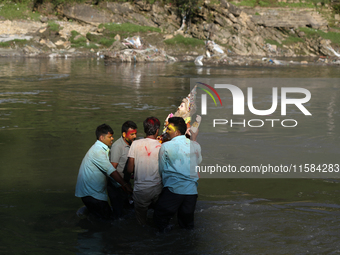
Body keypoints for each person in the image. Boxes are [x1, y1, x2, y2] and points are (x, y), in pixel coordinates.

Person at [75, 124, 132, 222]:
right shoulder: (98, 151)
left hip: (89, 193)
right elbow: (111, 171)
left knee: (102, 218)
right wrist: (125, 185)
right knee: (107, 222)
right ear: (101, 137)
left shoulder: (100, 149)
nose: (112, 139)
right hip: (92, 194)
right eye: (109, 137)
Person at [154, 117, 202, 233]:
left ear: (176, 131)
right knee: (187, 226)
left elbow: (161, 169)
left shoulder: (166, 146)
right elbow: (198, 162)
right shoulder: (195, 146)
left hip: (173, 189)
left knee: (160, 220)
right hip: (191, 192)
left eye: (169, 129)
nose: (166, 131)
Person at [126, 117, 163, 226]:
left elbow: (129, 169)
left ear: (145, 130)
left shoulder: (135, 144)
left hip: (140, 190)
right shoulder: (162, 146)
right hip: (157, 189)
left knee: (141, 221)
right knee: (158, 217)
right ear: (157, 131)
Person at [108, 121, 137, 218]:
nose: (134, 136)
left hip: (125, 183)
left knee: (128, 211)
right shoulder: (117, 147)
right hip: (116, 186)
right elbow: (112, 170)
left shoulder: (132, 144)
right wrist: (123, 185)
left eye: (135, 133)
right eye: (132, 134)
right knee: (118, 214)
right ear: (124, 134)